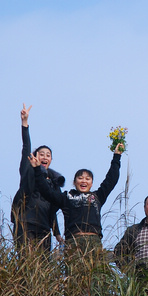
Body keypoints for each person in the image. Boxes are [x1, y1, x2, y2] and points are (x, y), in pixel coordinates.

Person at [28, 138, 124, 256]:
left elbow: (111, 180)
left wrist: (117, 157)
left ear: (91, 183)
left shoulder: (97, 196)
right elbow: (46, 190)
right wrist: (37, 169)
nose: (84, 181)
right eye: (80, 178)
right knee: (74, 274)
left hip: (94, 241)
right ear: (74, 182)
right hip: (73, 242)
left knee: (96, 273)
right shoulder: (66, 197)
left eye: (87, 179)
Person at [11, 104, 65, 253]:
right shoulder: (28, 170)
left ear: (51, 160)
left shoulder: (53, 181)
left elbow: (52, 209)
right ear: (35, 157)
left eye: (48, 155)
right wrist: (24, 123)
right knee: (25, 259)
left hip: (44, 227)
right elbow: (26, 146)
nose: (45, 157)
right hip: (25, 222)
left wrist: (57, 233)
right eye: (42, 154)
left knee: (43, 264)